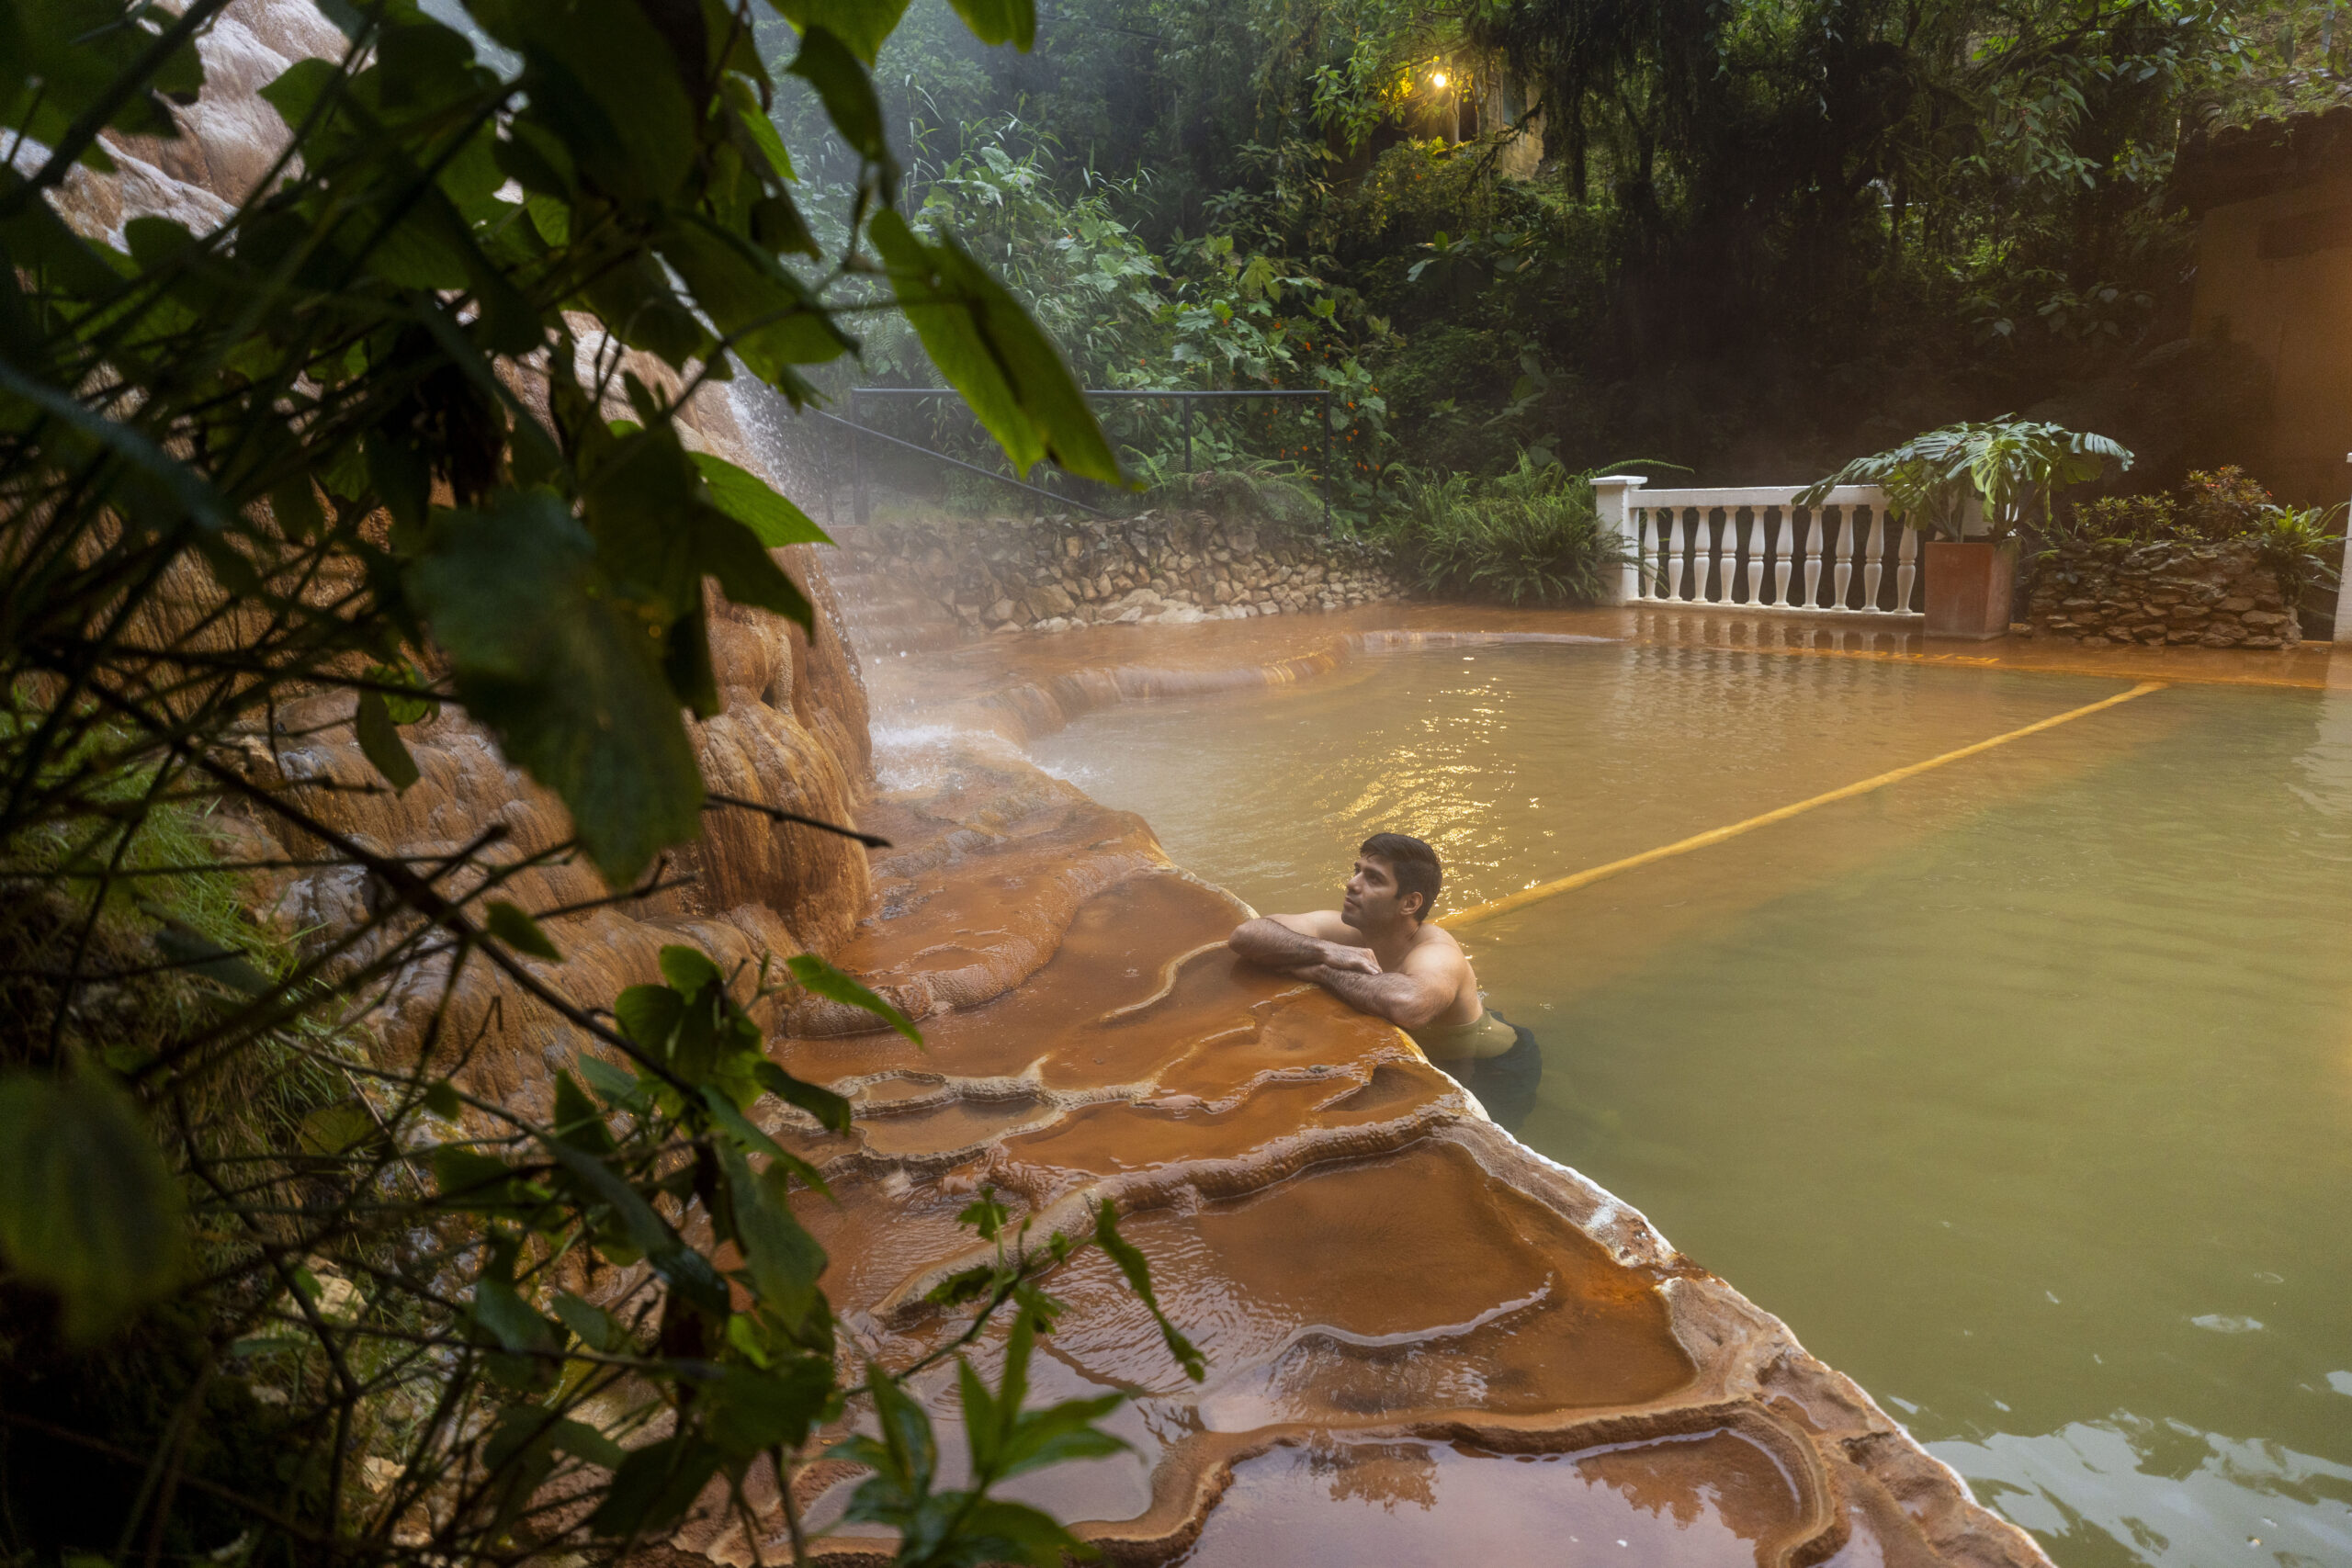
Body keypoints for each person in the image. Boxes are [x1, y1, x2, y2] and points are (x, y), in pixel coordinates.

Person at [1226, 831, 1542, 1132]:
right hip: (1433, 1041)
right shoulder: (1345, 932)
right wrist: (1326, 950)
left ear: (1409, 903)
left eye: (1373, 879)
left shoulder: (1436, 952)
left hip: (1495, 1063)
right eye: (1357, 871)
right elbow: (1248, 935)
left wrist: (1323, 970)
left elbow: (1407, 1006)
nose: (1352, 884)